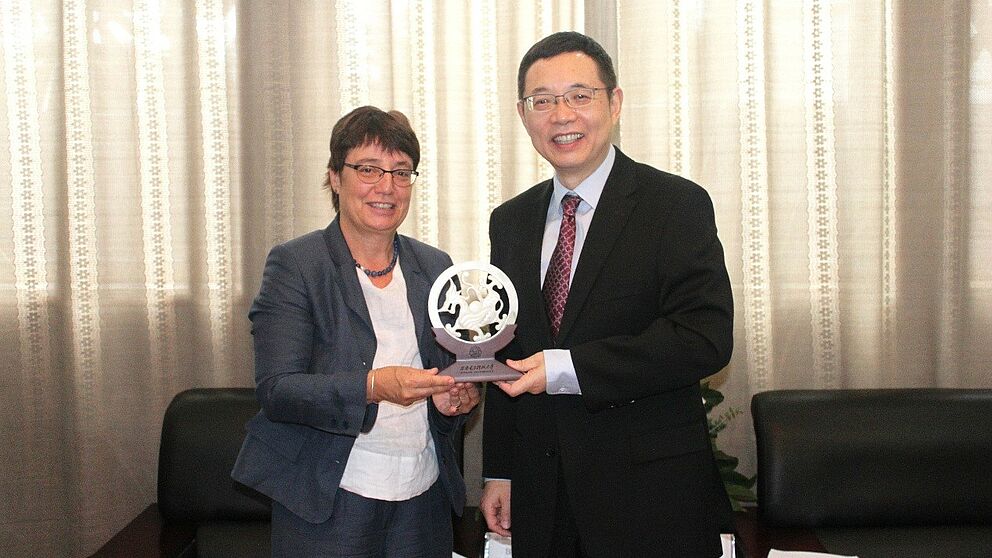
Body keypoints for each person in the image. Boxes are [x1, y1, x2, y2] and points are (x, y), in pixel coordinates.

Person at [480, 32, 735, 557]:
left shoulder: (675, 205)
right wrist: (500, 472)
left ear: (614, 103)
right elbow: (505, 348)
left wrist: (566, 367)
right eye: (542, 101)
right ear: (523, 115)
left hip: (648, 500)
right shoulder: (510, 222)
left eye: (579, 95)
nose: (561, 114)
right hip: (543, 500)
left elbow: (703, 339)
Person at [232, 106, 480, 558]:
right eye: (368, 169)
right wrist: (372, 387)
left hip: (421, 497)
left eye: (401, 172)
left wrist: (454, 401)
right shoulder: (296, 265)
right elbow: (278, 390)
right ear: (334, 177)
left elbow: (449, 377)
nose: (386, 186)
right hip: (330, 499)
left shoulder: (436, 266)